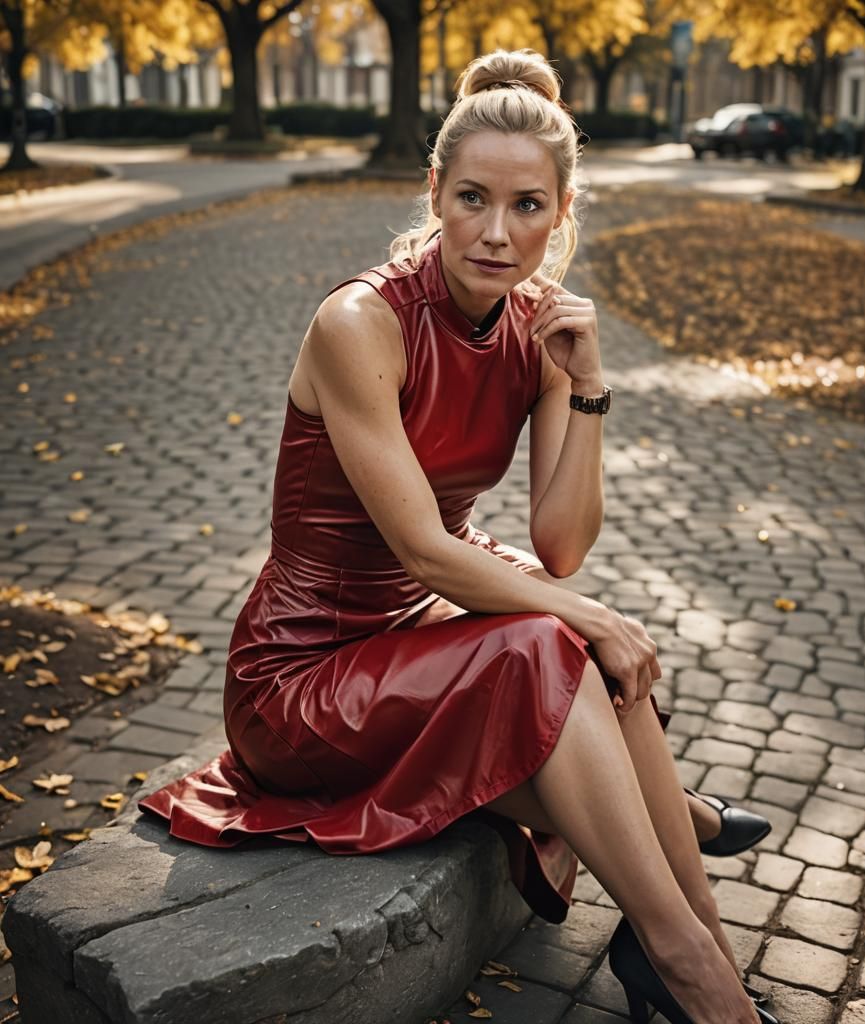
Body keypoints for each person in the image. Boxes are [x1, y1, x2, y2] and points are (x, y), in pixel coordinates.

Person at [139, 47, 776, 1024]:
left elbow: (562, 547)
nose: (496, 231)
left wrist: (587, 384)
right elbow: (424, 550)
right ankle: (687, 951)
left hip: (421, 634)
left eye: (527, 206)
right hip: (303, 677)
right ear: (434, 189)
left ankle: (696, 943)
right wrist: (590, 616)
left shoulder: (542, 329)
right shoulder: (361, 321)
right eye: (472, 198)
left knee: (571, 638)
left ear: (561, 213)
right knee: (556, 640)